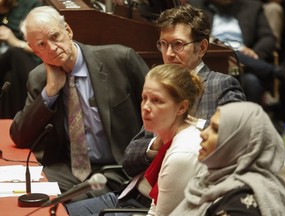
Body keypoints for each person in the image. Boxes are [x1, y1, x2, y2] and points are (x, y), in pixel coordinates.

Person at [9, 6, 149, 195]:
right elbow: (20, 136)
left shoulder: (120, 60)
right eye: (41, 44)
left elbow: (162, 112)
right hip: (68, 169)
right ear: (35, 51)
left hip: (119, 168)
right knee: (22, 194)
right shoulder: (39, 78)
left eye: (55, 37)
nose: (51, 48)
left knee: (71, 202)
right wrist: (50, 92)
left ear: (68, 31)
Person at [122, 4, 246, 178]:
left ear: (201, 48)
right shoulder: (160, 89)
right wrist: (158, 143)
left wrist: (179, 133)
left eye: (178, 44)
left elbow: (235, 141)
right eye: (164, 44)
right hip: (140, 192)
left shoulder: (221, 85)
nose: (169, 53)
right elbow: (129, 158)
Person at [65, 63, 207, 216]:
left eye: (156, 101)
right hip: (128, 195)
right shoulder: (170, 128)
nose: (146, 107)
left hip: (142, 210)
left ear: (181, 107)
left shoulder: (183, 154)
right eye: (144, 98)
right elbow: (129, 161)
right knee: (56, 212)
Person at [170, 101, 285, 215]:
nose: (203, 134)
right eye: (209, 126)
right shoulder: (208, 179)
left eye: (216, 130)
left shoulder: (241, 204)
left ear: (239, 143)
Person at [0, 0, 42, 118]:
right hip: (8, 72)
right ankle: (11, 126)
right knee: (10, 78)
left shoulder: (30, 5)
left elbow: (44, 48)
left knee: (14, 53)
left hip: (29, 63)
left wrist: (15, 42)